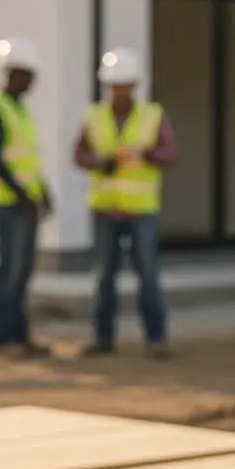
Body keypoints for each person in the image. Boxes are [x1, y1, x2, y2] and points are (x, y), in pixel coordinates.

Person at [73, 47, 175, 358]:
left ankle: (156, 338)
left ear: (134, 85)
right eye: (114, 85)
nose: (119, 91)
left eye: (124, 85)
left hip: (141, 210)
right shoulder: (95, 116)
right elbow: (79, 153)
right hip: (106, 209)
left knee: (148, 275)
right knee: (104, 277)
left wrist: (145, 155)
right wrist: (98, 162)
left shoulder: (152, 115)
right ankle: (103, 338)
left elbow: (169, 154)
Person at [0, 36, 53, 359]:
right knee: (9, 269)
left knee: (22, 271)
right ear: (13, 73)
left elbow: (27, 160)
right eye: (28, 75)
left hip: (26, 201)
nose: (32, 82)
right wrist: (22, 195)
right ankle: (4, 338)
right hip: (8, 203)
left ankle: (21, 336)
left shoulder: (19, 109)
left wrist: (43, 192)